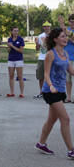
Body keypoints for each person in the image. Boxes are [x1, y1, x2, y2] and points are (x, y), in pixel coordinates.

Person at [34, 26, 74, 159]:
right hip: (50, 91)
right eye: (62, 36)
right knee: (65, 119)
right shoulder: (50, 54)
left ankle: (41, 143)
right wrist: (51, 85)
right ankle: (71, 150)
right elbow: (46, 73)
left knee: (51, 120)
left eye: (65, 36)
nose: (65, 38)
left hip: (61, 91)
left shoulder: (66, 54)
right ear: (55, 39)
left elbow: (71, 71)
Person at [34, 21, 51, 98]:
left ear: (50, 26)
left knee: (50, 75)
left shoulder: (53, 35)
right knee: (41, 75)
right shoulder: (40, 36)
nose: (46, 27)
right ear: (43, 27)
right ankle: (42, 91)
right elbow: (37, 49)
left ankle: (50, 91)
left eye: (48, 26)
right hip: (42, 58)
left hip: (51, 57)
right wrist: (37, 43)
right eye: (45, 26)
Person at [6, 26, 25, 98]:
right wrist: (9, 47)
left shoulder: (21, 39)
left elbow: (21, 50)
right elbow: (8, 51)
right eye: (14, 31)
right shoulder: (9, 39)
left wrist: (13, 46)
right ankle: (12, 92)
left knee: (20, 76)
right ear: (11, 32)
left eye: (17, 31)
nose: (16, 32)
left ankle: (21, 93)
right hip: (11, 59)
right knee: (11, 76)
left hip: (19, 59)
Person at [62, 14, 74, 103]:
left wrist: (70, 38)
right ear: (69, 22)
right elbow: (62, 40)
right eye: (71, 21)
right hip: (67, 57)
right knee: (68, 79)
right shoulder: (66, 30)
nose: (72, 23)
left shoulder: (68, 32)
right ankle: (69, 97)